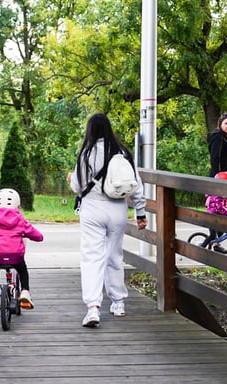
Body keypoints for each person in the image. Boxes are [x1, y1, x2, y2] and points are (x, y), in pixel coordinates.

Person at [68, 113, 148, 328]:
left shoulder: (86, 153)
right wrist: (140, 212)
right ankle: (118, 302)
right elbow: (136, 185)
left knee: (92, 257)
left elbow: (77, 186)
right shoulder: (122, 153)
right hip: (118, 211)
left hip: (93, 209)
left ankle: (93, 307)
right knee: (114, 255)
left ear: (90, 130)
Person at [0, 188, 44, 309]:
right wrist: (38, 237)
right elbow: (36, 235)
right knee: (22, 269)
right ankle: (25, 291)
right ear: (17, 205)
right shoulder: (20, 219)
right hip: (16, 256)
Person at [207, 112, 227, 253]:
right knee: (218, 211)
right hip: (221, 180)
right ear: (220, 124)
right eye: (226, 123)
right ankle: (215, 244)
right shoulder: (217, 137)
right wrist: (219, 179)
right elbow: (215, 158)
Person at [203, 171, 227, 254]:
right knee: (212, 235)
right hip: (212, 217)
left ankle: (216, 247)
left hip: (217, 217)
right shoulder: (217, 194)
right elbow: (220, 207)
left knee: (221, 232)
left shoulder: (224, 193)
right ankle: (201, 248)